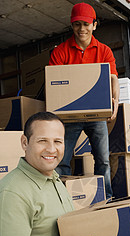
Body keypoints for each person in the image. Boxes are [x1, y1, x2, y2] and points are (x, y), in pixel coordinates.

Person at [0, 112, 124, 236]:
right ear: (25, 143)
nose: (51, 149)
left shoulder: (53, 179)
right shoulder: (11, 191)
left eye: (58, 142)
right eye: (42, 141)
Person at [49, 2, 119, 200]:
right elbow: (54, 84)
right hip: (69, 116)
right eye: (77, 24)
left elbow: (113, 78)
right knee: (62, 160)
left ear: (95, 25)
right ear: (72, 26)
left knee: (103, 160)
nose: (82, 29)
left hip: (96, 115)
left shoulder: (104, 51)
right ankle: (61, 199)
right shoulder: (60, 51)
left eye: (86, 24)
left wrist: (114, 100)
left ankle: (106, 197)